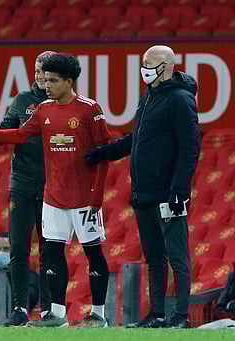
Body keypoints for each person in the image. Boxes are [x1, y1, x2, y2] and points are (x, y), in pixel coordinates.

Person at [0, 53, 111, 328]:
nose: (46, 84)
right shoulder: (42, 108)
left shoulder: (89, 109)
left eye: (52, 80)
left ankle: (99, 315)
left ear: (68, 82)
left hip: (83, 197)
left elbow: (104, 153)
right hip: (52, 197)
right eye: (44, 79)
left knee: (93, 253)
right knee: (52, 253)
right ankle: (56, 314)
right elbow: (19, 134)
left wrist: (97, 196)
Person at [85, 45, 201, 328]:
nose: (144, 68)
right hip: (144, 193)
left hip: (168, 194)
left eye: (150, 63)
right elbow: (135, 140)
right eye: (144, 62)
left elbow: (190, 147)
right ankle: (157, 314)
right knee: (154, 257)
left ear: (166, 65)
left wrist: (179, 190)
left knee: (177, 256)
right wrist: (103, 153)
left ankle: (180, 316)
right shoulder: (148, 96)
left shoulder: (180, 99)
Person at [0, 51, 54, 326]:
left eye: (45, 73)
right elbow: (5, 129)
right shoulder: (23, 100)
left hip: (52, 187)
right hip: (22, 184)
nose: (40, 78)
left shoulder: (62, 102)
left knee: (50, 249)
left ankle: (50, 309)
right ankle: (19, 309)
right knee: (19, 248)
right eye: (36, 71)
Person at [0, 233, 40, 314]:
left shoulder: (29, 274)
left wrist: (13, 275)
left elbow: (31, 299)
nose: (1, 253)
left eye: (6, 249)